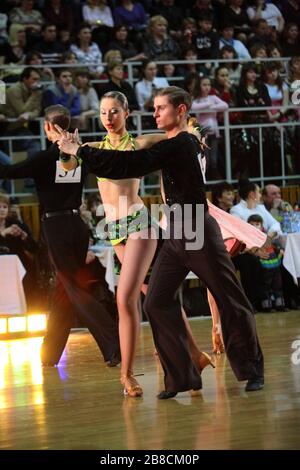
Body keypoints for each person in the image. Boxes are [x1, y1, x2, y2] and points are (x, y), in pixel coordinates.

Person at [58, 86, 265, 397]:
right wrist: (68, 150)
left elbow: (131, 164)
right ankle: (183, 375)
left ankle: (251, 369)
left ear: (180, 111)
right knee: (155, 301)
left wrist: (81, 151)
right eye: (153, 108)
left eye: (160, 108)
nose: (153, 114)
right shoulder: (171, 142)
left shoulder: (179, 142)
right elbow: (69, 173)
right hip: (169, 231)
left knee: (229, 297)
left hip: (193, 228)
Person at [0, 104, 120, 369]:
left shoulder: (44, 158)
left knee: (74, 288)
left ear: (47, 127)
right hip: (77, 225)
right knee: (64, 290)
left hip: (56, 226)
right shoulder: (79, 155)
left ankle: (114, 344)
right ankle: (49, 354)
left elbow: (8, 172)